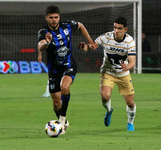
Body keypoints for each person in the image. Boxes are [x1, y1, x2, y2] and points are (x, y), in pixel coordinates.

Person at [37, 5, 94, 134]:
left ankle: (62, 120)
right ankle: (63, 120)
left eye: (56, 17)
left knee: (65, 87)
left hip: (69, 65)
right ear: (46, 18)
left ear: (59, 17)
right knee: (56, 103)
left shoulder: (67, 26)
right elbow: (40, 45)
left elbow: (80, 25)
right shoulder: (43, 32)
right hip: (54, 70)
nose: (54, 20)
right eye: (51, 17)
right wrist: (46, 42)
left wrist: (90, 41)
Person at [78, 17, 136, 131]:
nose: (116, 30)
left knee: (130, 103)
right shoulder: (106, 37)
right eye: (115, 27)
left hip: (123, 74)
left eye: (120, 28)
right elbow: (92, 46)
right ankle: (109, 110)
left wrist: (127, 67)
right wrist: (84, 47)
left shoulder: (129, 41)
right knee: (105, 97)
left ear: (125, 29)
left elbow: (132, 62)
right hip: (107, 71)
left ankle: (130, 123)